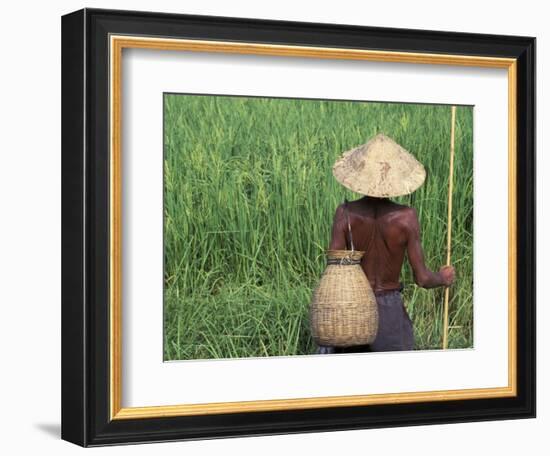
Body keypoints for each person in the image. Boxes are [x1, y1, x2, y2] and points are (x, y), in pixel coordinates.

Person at [318, 133, 455, 354]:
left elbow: (334, 269)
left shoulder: (344, 214)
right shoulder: (406, 218)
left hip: (353, 308)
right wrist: (443, 278)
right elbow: (422, 278)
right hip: (389, 311)